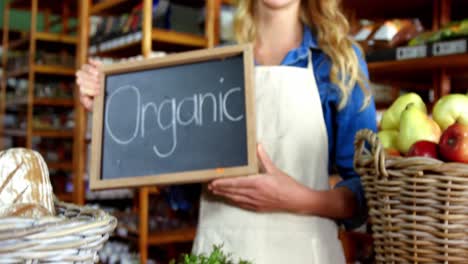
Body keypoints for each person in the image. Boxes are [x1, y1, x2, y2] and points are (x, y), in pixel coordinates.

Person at [76, 0, 377, 263]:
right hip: (221, 251)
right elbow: (183, 191)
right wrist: (117, 113)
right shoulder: (214, 64)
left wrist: (296, 198)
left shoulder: (339, 62)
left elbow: (365, 191)